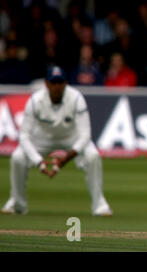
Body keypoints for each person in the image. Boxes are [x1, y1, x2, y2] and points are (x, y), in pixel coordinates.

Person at [1, 66, 113, 216]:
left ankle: (100, 205)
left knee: (93, 156)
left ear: (66, 83)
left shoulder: (76, 98)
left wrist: (66, 158)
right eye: (53, 83)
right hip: (41, 139)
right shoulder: (35, 100)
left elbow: (85, 135)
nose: (57, 87)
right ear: (46, 84)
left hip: (70, 138)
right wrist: (38, 161)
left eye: (60, 83)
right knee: (17, 158)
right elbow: (24, 136)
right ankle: (17, 203)